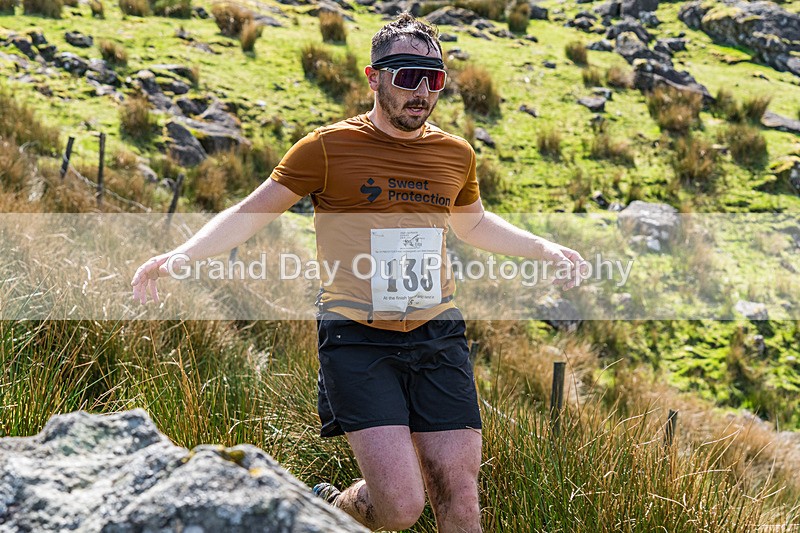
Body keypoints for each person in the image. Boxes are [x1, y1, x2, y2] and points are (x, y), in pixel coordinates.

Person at [131, 13, 585, 532]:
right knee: (399, 507)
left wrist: (543, 247)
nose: (422, 91)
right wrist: (181, 255)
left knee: (459, 497)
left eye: (434, 78)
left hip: (438, 334)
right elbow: (251, 211)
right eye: (407, 75)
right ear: (374, 77)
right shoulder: (326, 148)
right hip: (357, 339)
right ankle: (325, 509)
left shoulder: (455, 154)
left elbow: (473, 223)